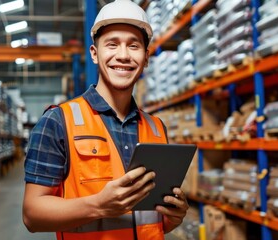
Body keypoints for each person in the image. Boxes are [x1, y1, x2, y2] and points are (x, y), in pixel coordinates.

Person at [22, 0, 189, 239]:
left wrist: (174, 216)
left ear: (146, 57)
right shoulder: (58, 121)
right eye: (112, 44)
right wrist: (98, 205)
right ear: (94, 53)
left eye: (134, 46)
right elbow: (32, 214)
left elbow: (153, 220)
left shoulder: (156, 128)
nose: (123, 55)